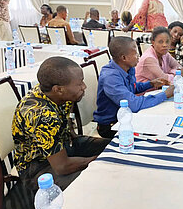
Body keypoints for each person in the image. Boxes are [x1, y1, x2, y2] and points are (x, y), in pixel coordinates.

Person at [12, 57, 111, 191]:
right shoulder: (42, 115)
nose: (84, 86)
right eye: (80, 83)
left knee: (115, 145)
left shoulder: (56, 92)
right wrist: (101, 159)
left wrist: (72, 133)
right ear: (58, 89)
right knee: (98, 178)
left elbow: (67, 115)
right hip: (38, 167)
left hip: (63, 145)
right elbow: (62, 167)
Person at [93, 36, 174, 138]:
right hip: (111, 125)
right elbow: (133, 104)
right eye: (135, 53)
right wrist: (165, 95)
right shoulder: (110, 77)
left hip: (126, 117)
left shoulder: (127, 67)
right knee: (155, 136)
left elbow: (131, 88)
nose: (139, 56)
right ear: (124, 58)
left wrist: (151, 84)